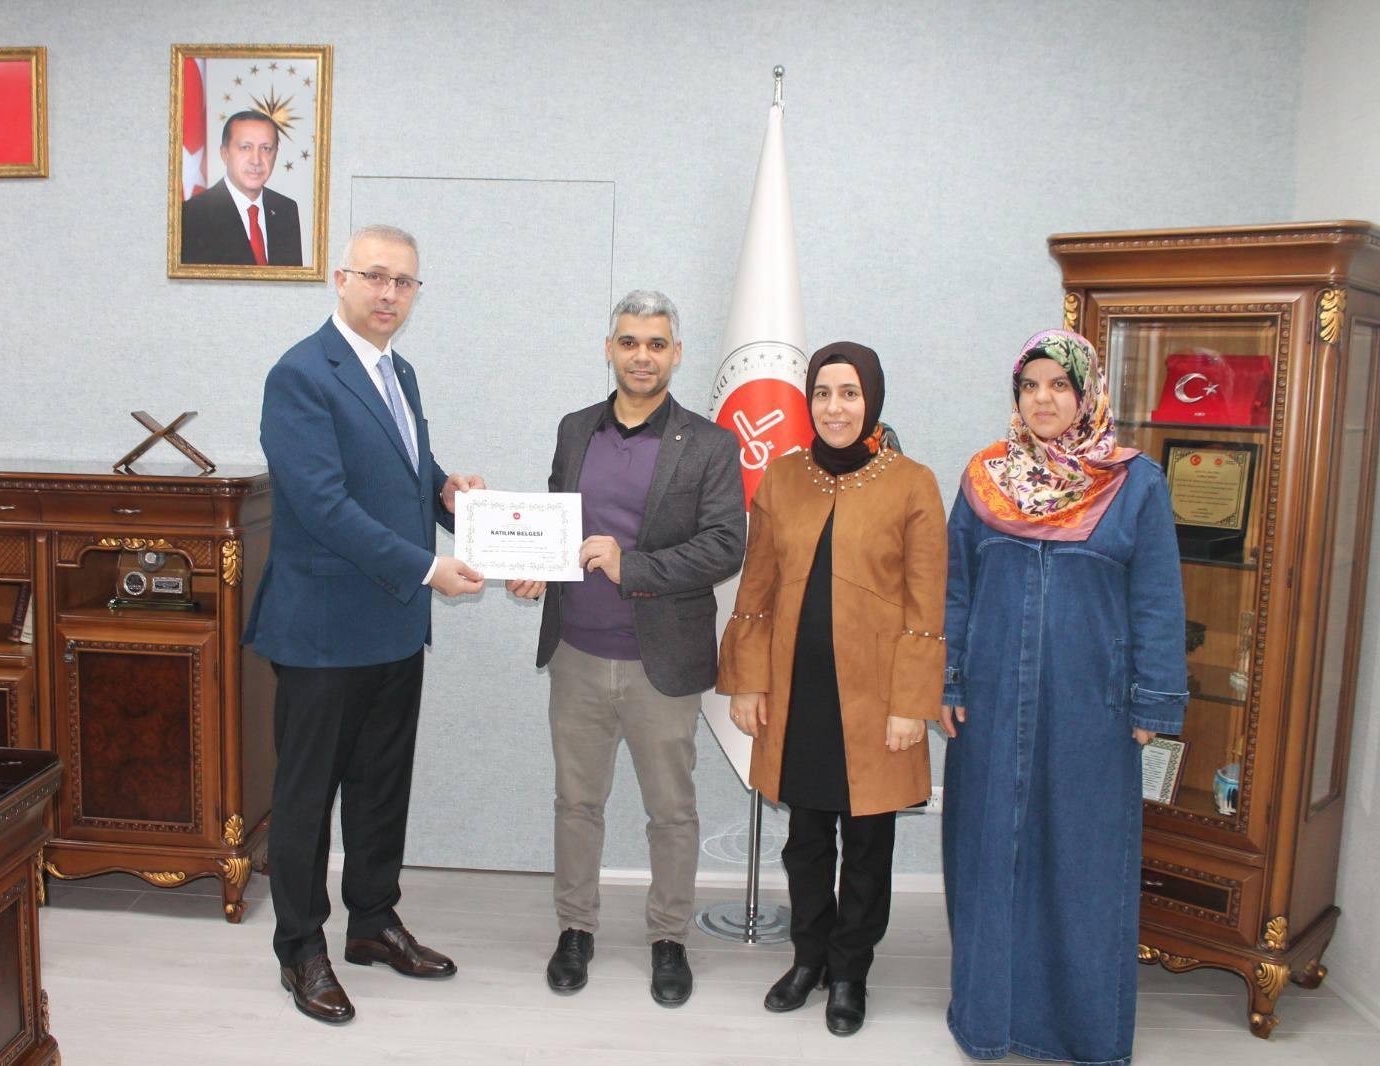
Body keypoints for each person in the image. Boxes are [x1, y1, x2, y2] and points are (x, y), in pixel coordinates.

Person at [243, 223, 485, 1025]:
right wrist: (427, 567)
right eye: (376, 276)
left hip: (392, 625)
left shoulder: (397, 370)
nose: (389, 294)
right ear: (341, 279)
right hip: (322, 631)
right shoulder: (301, 374)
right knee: (307, 798)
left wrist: (446, 493)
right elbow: (323, 505)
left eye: (404, 282)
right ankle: (300, 948)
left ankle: (373, 923)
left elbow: (398, 473)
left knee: (382, 788)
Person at [941, 329, 1188, 1065]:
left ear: (1087, 394)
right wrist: (949, 678)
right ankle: (988, 1020)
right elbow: (956, 589)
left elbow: (1158, 600)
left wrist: (1153, 703)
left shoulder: (1135, 483)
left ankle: (1081, 1033)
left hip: (1093, 709)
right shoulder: (985, 479)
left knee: (1082, 865)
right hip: (990, 704)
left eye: (1059, 385)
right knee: (990, 855)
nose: (1043, 399)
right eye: (1030, 386)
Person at [508, 290, 745, 1007]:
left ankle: (669, 938)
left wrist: (630, 564)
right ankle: (575, 929)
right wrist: (535, 566)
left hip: (661, 664)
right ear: (609, 348)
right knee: (576, 803)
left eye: (656, 344)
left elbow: (725, 546)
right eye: (630, 342)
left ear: (677, 354)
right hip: (576, 653)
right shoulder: (574, 428)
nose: (642, 356)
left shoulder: (710, 443)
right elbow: (555, 519)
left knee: (671, 811)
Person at [718, 342, 947, 1036]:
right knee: (806, 841)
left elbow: (926, 608)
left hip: (877, 702)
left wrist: (910, 704)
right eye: (822, 393)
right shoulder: (782, 478)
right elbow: (755, 592)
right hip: (798, 696)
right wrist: (747, 682)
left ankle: (850, 973)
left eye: (849, 393)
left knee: (868, 845)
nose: (834, 407)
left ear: (871, 400)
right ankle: (808, 958)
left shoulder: (912, 483)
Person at [180, 110, 303, 266]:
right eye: (245, 147)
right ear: (225, 154)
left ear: (275, 154)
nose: (256, 160)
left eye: (266, 149)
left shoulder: (286, 209)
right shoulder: (193, 214)